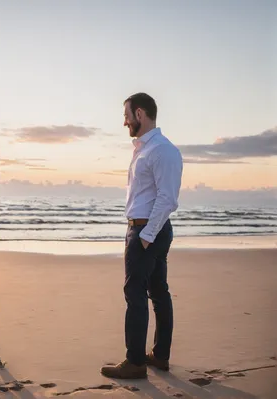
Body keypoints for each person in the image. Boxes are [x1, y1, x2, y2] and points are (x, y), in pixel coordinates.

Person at [101, 93, 183, 379]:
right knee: (157, 291)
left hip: (149, 230)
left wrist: (146, 236)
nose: (124, 121)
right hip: (145, 229)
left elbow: (167, 198)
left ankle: (135, 362)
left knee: (136, 294)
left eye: (126, 115)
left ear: (139, 113)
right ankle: (159, 357)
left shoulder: (162, 150)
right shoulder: (144, 149)